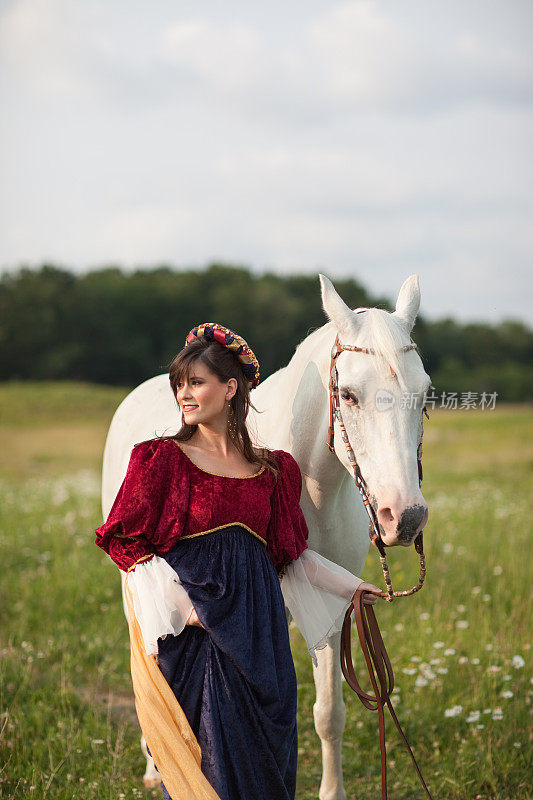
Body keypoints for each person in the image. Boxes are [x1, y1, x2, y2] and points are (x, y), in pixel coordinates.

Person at [95, 322, 381, 800]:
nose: (184, 395)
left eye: (196, 383)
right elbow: (130, 549)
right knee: (212, 769)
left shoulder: (273, 471)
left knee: (267, 764)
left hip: (263, 640)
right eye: (180, 385)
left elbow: (292, 558)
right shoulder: (162, 460)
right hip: (199, 640)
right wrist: (189, 612)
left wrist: (353, 587)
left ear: (230, 389)